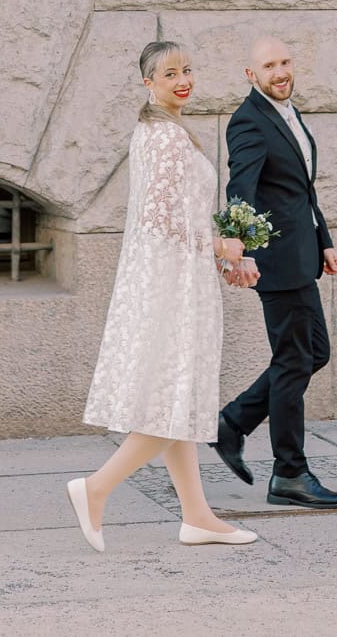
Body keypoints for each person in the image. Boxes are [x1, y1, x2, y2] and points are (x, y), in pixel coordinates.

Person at [67, 39, 261, 552]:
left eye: (187, 70)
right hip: (173, 285)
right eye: (170, 73)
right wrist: (220, 245)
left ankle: (197, 516)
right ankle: (95, 488)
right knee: (173, 399)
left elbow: (175, 217)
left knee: (180, 397)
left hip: (176, 276)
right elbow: (160, 220)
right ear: (148, 83)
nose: (183, 81)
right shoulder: (166, 137)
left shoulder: (160, 130)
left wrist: (221, 254)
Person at [213, 36, 337, 510]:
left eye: (285, 62)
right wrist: (237, 250)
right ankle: (290, 473)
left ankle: (233, 422)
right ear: (250, 74)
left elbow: (302, 190)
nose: (280, 72)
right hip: (276, 261)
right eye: (269, 65)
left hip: (302, 254)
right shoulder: (248, 121)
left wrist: (324, 240)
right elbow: (241, 189)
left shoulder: (287, 112)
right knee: (294, 361)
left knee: (314, 352)